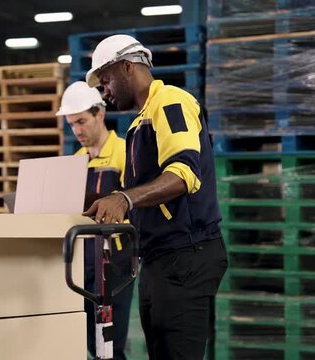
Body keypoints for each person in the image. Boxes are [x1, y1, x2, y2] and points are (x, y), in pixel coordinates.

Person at [82, 34, 228, 359]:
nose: (103, 92)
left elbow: (184, 174)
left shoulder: (171, 102)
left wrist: (124, 199)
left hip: (185, 255)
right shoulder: (139, 122)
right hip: (159, 260)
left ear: (127, 67)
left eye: (105, 81)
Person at [56, 81, 134, 360]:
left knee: (110, 341)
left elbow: (136, 208)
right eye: (71, 124)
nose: (76, 130)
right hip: (82, 260)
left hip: (116, 262)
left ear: (100, 114)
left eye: (81, 121)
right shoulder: (76, 160)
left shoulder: (126, 152)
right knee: (88, 339)